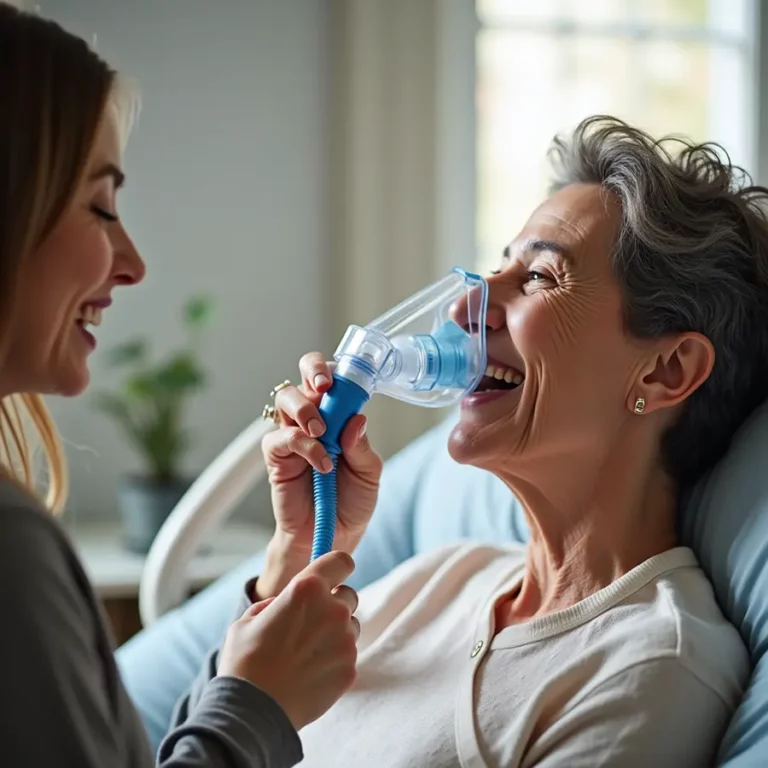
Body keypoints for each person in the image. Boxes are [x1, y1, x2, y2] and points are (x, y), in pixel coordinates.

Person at [170, 116, 768, 766]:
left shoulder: (647, 668)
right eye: (496, 267)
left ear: (666, 370)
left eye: (539, 276)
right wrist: (296, 555)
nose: (464, 309)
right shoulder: (443, 578)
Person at [0, 6, 361, 766]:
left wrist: (291, 560)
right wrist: (257, 706)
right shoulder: (11, 550)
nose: (132, 263)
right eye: (100, 205)